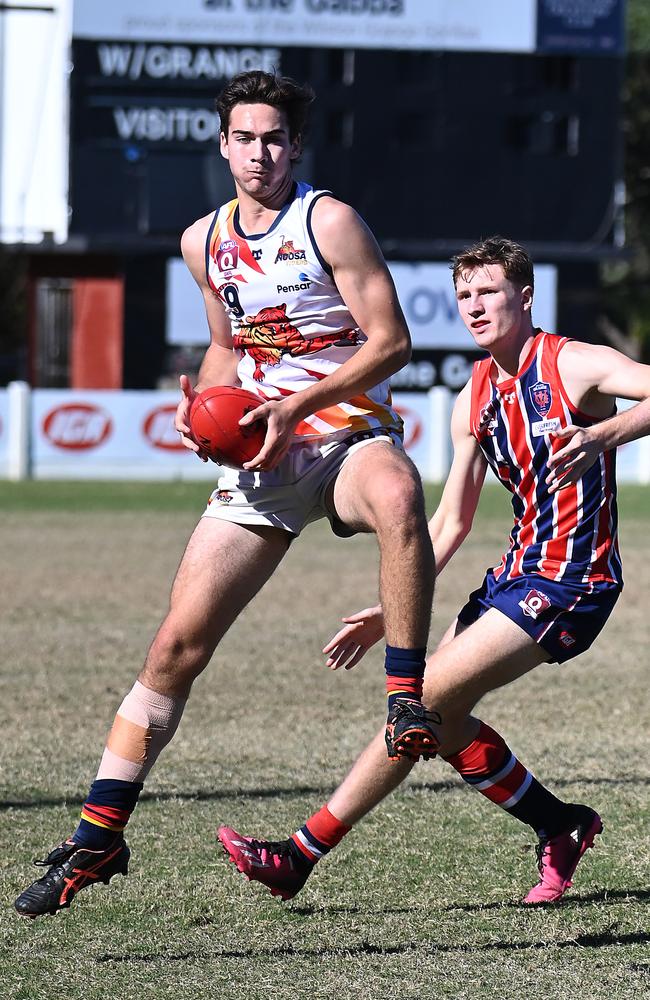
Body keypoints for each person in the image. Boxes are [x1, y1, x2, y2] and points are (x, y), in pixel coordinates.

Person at [14, 71, 437, 919]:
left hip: (342, 433)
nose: (260, 154)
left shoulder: (329, 222)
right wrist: (203, 413)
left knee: (397, 497)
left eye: (275, 138)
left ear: (295, 145)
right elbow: (222, 350)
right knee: (175, 649)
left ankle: (403, 701)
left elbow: (392, 344)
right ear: (222, 144)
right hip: (262, 459)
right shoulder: (201, 240)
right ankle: (98, 836)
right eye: (245, 138)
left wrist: (297, 406)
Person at [218, 236, 650, 905]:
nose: (475, 307)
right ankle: (560, 824)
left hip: (574, 580)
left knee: (419, 702)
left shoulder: (574, 364)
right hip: (516, 574)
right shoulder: (472, 396)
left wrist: (603, 434)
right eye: (465, 296)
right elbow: (448, 524)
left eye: (489, 293)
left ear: (525, 297)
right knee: (438, 725)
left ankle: (298, 857)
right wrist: (391, 608)